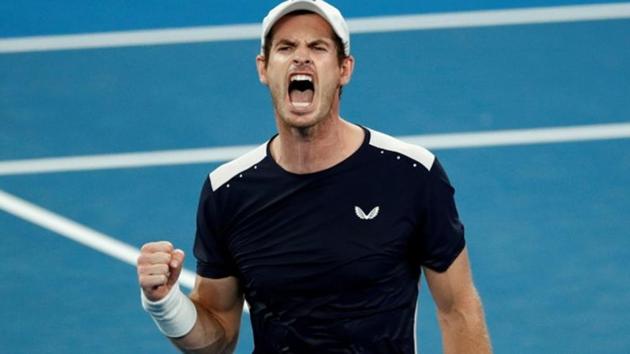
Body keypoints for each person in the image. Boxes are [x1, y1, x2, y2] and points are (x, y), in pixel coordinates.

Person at [136, 1, 492, 353]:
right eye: (286, 47)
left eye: (318, 47)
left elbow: (458, 309)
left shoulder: (412, 173)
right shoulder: (227, 191)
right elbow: (218, 338)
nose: (300, 57)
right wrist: (165, 305)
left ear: (344, 69)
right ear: (263, 68)